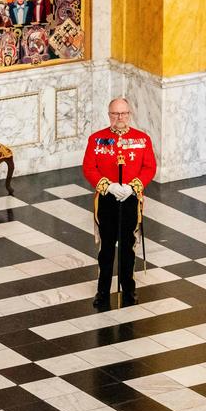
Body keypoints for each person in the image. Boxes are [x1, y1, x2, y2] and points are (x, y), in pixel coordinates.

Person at [82, 98, 157, 310]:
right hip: (107, 198)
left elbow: (149, 167)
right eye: (115, 114)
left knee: (127, 247)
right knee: (106, 248)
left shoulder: (142, 139)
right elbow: (89, 168)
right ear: (109, 115)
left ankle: (128, 288)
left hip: (131, 198)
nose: (120, 118)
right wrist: (107, 186)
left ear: (129, 114)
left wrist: (135, 186)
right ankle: (103, 290)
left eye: (123, 113)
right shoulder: (97, 139)